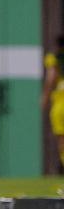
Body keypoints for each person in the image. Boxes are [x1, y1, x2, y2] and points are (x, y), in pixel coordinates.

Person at [42, 35, 64, 169]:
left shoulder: (54, 58)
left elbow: (51, 77)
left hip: (61, 102)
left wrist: (45, 97)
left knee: (62, 138)